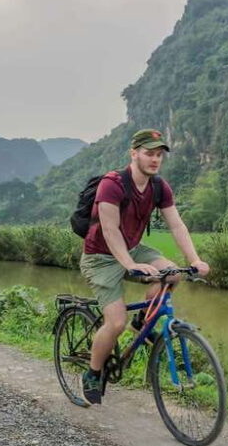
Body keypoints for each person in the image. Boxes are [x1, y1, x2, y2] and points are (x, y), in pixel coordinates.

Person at [79, 128, 210, 405]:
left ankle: (143, 322)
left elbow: (176, 224)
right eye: (149, 153)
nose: (155, 159)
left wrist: (195, 260)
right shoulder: (112, 183)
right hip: (100, 256)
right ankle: (92, 372)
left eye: (159, 154)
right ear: (134, 153)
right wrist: (130, 264)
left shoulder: (159, 187)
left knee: (174, 274)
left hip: (134, 249)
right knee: (115, 322)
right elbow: (110, 229)